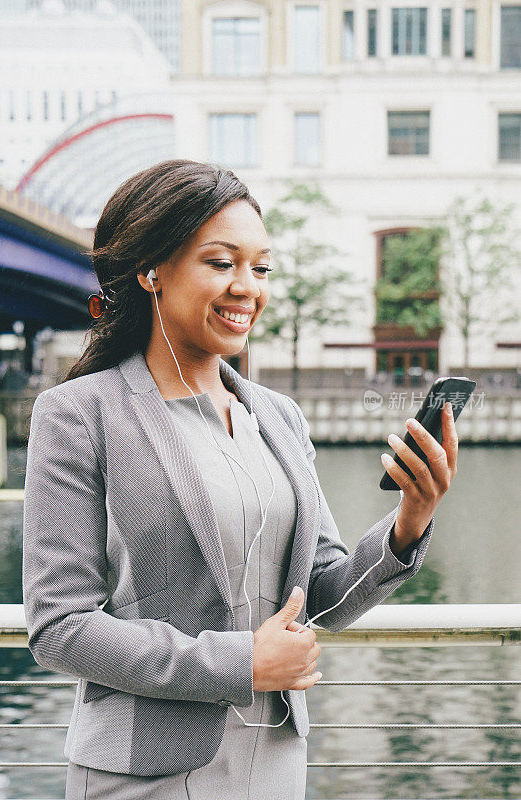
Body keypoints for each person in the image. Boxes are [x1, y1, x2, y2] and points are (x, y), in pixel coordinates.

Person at [22, 159, 458, 800]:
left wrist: (408, 521)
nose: (246, 287)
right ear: (152, 272)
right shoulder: (78, 414)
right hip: (147, 775)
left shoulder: (278, 416)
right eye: (221, 263)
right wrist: (243, 661)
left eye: (261, 268)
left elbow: (324, 598)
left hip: (273, 763)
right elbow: (59, 627)